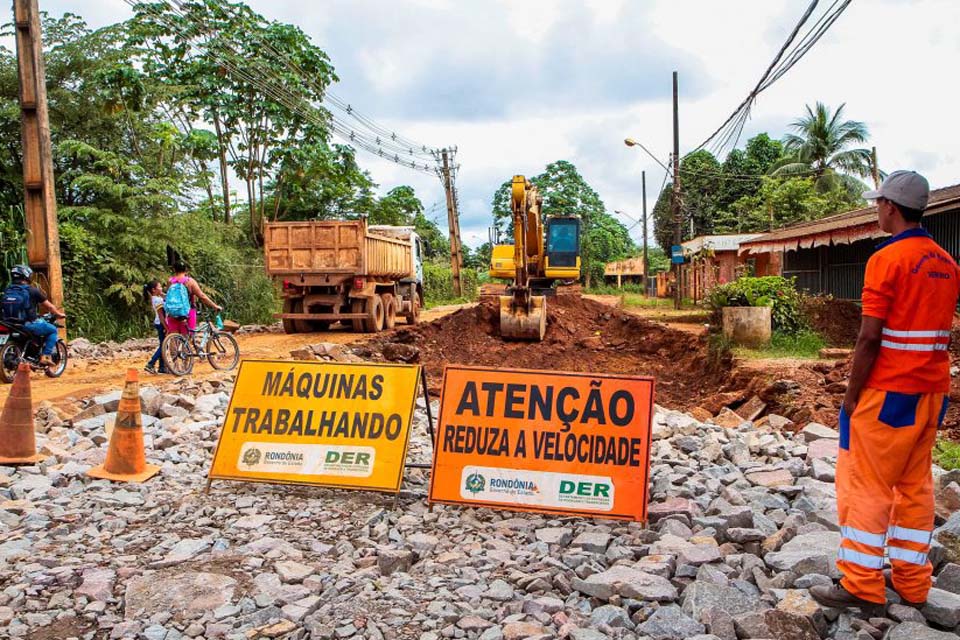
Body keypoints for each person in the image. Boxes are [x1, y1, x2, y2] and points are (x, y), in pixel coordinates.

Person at [810, 171, 960, 613]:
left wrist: (851, 395)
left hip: (887, 391)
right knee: (915, 486)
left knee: (868, 486)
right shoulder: (947, 263)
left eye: (879, 204)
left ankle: (861, 584)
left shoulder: (887, 259)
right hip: (932, 392)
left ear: (890, 207)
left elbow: (869, 337)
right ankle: (913, 583)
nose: (877, 210)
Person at [0, 265, 65, 366]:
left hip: (8, 323)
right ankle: (45, 356)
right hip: (26, 324)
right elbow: (50, 307)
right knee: (52, 329)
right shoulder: (32, 290)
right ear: (26, 276)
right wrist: (59, 314)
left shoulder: (8, 290)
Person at [165, 263, 221, 336]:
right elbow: (202, 296)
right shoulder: (190, 281)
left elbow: (168, 297)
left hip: (172, 313)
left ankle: (173, 347)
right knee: (186, 338)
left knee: (173, 338)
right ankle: (185, 347)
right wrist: (215, 306)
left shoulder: (170, 281)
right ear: (186, 270)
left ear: (174, 270)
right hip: (188, 313)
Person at [143, 280, 166, 375]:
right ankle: (151, 363)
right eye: (159, 287)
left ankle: (162, 367)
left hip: (159, 323)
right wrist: (166, 326)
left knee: (163, 344)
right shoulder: (158, 300)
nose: (161, 288)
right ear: (153, 290)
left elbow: (166, 297)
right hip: (161, 323)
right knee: (163, 345)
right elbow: (161, 315)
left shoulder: (156, 298)